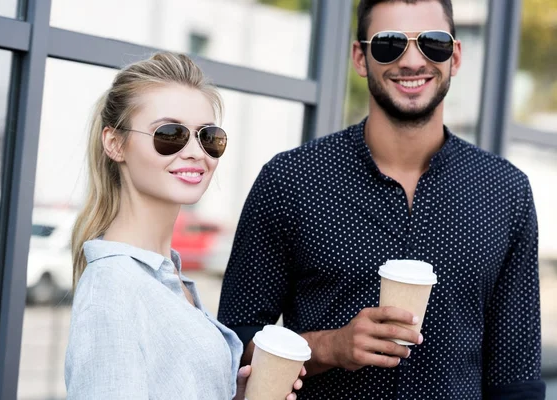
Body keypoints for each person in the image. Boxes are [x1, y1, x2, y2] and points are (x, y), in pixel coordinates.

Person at [217, 0, 546, 399]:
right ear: (360, 57)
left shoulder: (504, 190)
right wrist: (329, 347)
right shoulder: (290, 179)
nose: (412, 61)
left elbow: (516, 378)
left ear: (455, 57)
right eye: (389, 43)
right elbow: (231, 345)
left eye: (433, 43)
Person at [65, 52, 304, 399]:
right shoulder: (113, 287)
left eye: (208, 136)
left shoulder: (170, 280)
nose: (196, 151)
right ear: (115, 143)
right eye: (170, 133)